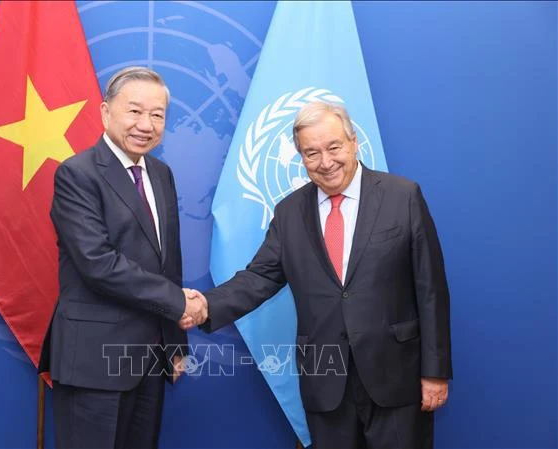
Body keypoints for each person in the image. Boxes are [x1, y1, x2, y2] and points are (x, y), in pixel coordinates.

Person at [184, 101, 452, 448]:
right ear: (301, 157)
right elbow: (258, 278)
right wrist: (205, 304)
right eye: (311, 153)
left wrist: (435, 371)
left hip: (397, 377)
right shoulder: (290, 212)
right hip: (326, 383)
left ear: (354, 141)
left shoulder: (403, 197)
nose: (325, 162)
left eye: (333, 147)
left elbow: (430, 289)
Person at [39, 66, 207, 449]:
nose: (146, 124)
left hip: (149, 359)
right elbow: (98, 262)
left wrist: (175, 343)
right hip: (93, 361)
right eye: (134, 111)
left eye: (157, 114)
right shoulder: (77, 174)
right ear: (105, 112)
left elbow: (168, 262)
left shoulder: (161, 174)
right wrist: (179, 300)